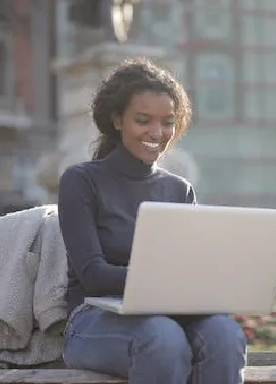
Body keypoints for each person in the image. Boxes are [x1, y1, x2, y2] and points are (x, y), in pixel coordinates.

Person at [57, 58, 247, 383]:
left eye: (168, 122)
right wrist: (161, 280)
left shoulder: (178, 189)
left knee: (224, 334)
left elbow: (188, 270)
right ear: (117, 120)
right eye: (143, 120)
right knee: (162, 338)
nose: (157, 133)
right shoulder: (81, 181)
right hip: (96, 318)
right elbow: (94, 276)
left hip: (167, 312)